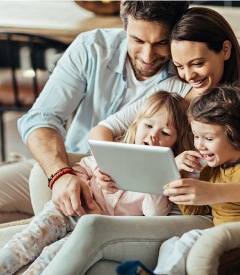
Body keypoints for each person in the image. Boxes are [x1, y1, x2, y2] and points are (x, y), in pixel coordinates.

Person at [34, 7, 240, 275]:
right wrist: (111, 168)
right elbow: (103, 130)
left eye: (197, 63)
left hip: (193, 213)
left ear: (225, 50)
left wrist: (209, 190)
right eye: (179, 66)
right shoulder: (173, 89)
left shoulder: (234, 103)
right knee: (42, 178)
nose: (189, 75)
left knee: (92, 226)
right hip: (145, 202)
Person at [0, 1, 190, 223]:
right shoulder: (92, 47)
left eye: (161, 42)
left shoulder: (187, 76)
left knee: (41, 226)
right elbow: (41, 119)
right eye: (137, 40)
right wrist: (61, 174)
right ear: (125, 27)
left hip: (131, 200)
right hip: (69, 163)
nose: (148, 57)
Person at [0, 90, 194, 275]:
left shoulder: (165, 178)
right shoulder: (114, 150)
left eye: (165, 133)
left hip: (97, 230)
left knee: (53, 257)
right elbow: (81, 168)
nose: (153, 136)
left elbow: (154, 215)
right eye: (149, 126)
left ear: (176, 142)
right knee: (28, 239)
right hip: (71, 209)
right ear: (137, 124)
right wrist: (86, 183)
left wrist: (156, 176)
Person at [116, 83, 240, 275]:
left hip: (230, 234)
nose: (200, 145)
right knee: (171, 244)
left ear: (235, 136)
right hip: (217, 231)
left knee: (189, 239)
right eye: (196, 136)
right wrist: (178, 177)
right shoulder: (211, 171)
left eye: (208, 138)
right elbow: (195, 211)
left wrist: (214, 193)